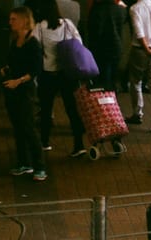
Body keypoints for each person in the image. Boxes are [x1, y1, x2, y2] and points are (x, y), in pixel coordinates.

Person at [33, 0, 86, 158]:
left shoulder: (40, 27)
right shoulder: (68, 24)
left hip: (48, 73)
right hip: (67, 73)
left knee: (46, 108)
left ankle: (44, 142)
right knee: (71, 108)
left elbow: (34, 49)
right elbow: (79, 44)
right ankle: (79, 144)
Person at [1, 5, 47, 181]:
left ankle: (39, 166)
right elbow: (13, 61)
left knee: (28, 127)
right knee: (18, 127)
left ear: (24, 21)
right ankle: (24, 162)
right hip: (12, 89)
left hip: (24, 91)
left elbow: (35, 69)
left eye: (14, 19)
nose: (10, 22)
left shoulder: (32, 43)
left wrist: (18, 81)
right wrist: (6, 70)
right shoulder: (15, 41)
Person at [125, 0, 151, 126]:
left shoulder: (135, 8)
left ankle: (137, 114)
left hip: (140, 51)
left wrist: (147, 50)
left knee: (136, 82)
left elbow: (139, 32)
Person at [86, 0, 128, 92]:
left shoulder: (97, 9)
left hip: (102, 48)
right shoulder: (121, 10)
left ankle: (106, 100)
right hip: (117, 47)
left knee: (103, 78)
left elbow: (94, 31)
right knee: (114, 75)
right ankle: (113, 98)